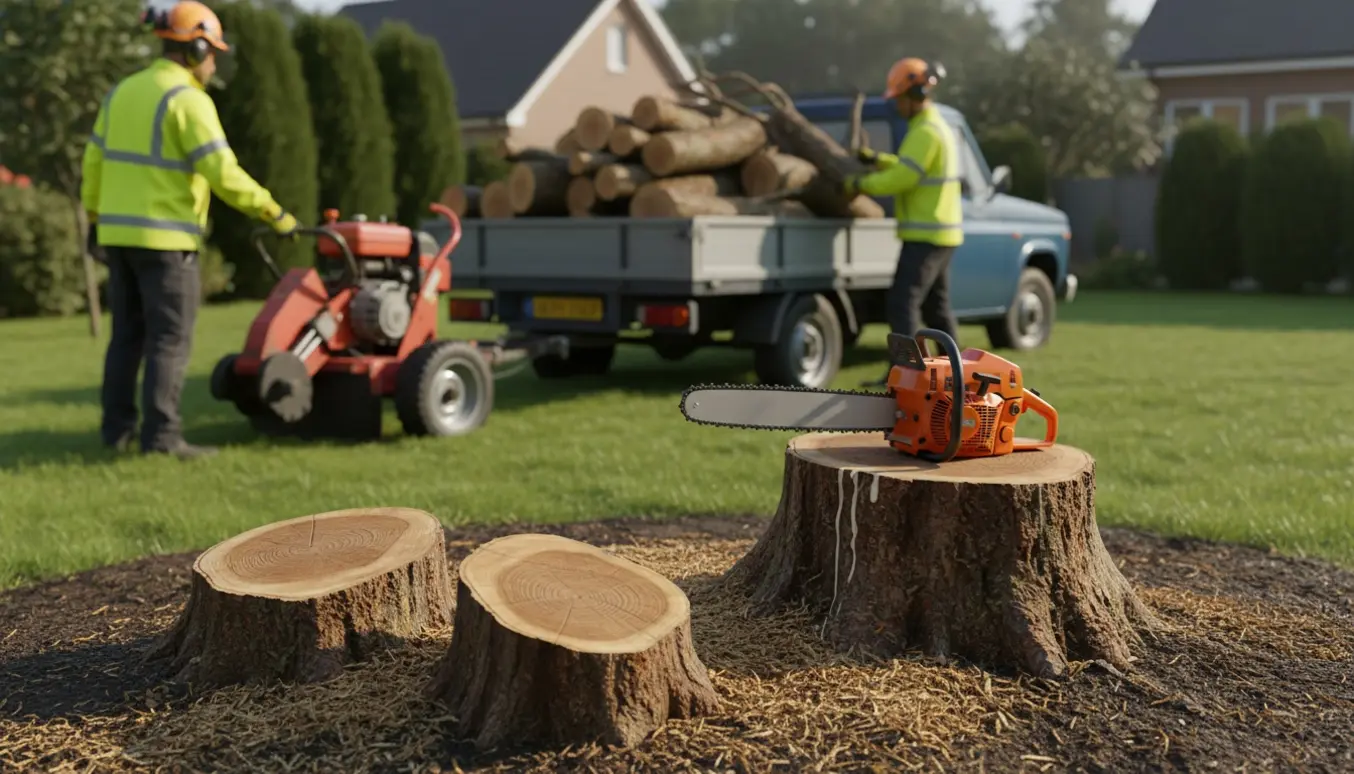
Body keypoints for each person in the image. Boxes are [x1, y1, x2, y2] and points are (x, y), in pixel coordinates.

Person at [81, 1, 299, 460]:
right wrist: (274, 212)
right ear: (196, 47)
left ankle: (116, 433)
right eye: (212, 51)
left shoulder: (121, 92)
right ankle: (162, 439)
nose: (214, 61)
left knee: (126, 338)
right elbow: (223, 172)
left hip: (117, 237)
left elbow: (94, 162)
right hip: (167, 243)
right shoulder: (188, 101)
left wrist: (96, 218)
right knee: (169, 340)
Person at [843, 57, 964, 387]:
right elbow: (906, 167)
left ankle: (907, 374)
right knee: (936, 310)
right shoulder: (933, 127)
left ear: (916, 93)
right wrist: (878, 160)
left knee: (902, 302)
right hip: (942, 233)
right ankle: (958, 373)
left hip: (927, 235)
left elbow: (904, 179)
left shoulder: (925, 131)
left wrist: (858, 185)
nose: (896, 106)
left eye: (898, 99)